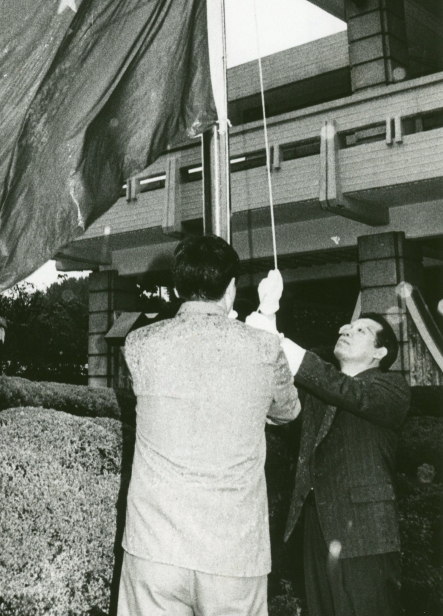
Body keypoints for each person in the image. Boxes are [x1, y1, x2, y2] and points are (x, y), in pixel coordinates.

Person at [117, 236, 301, 616]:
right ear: (231, 288)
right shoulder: (264, 349)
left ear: (177, 289)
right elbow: (288, 411)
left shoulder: (139, 344)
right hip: (233, 553)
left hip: (154, 546)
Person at [258, 304, 410, 616]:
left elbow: (347, 391)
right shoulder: (320, 393)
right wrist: (264, 338)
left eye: (360, 330)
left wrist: (281, 342)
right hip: (317, 529)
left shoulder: (392, 388)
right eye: (346, 326)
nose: (345, 330)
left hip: (366, 535)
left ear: (380, 353)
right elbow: (283, 412)